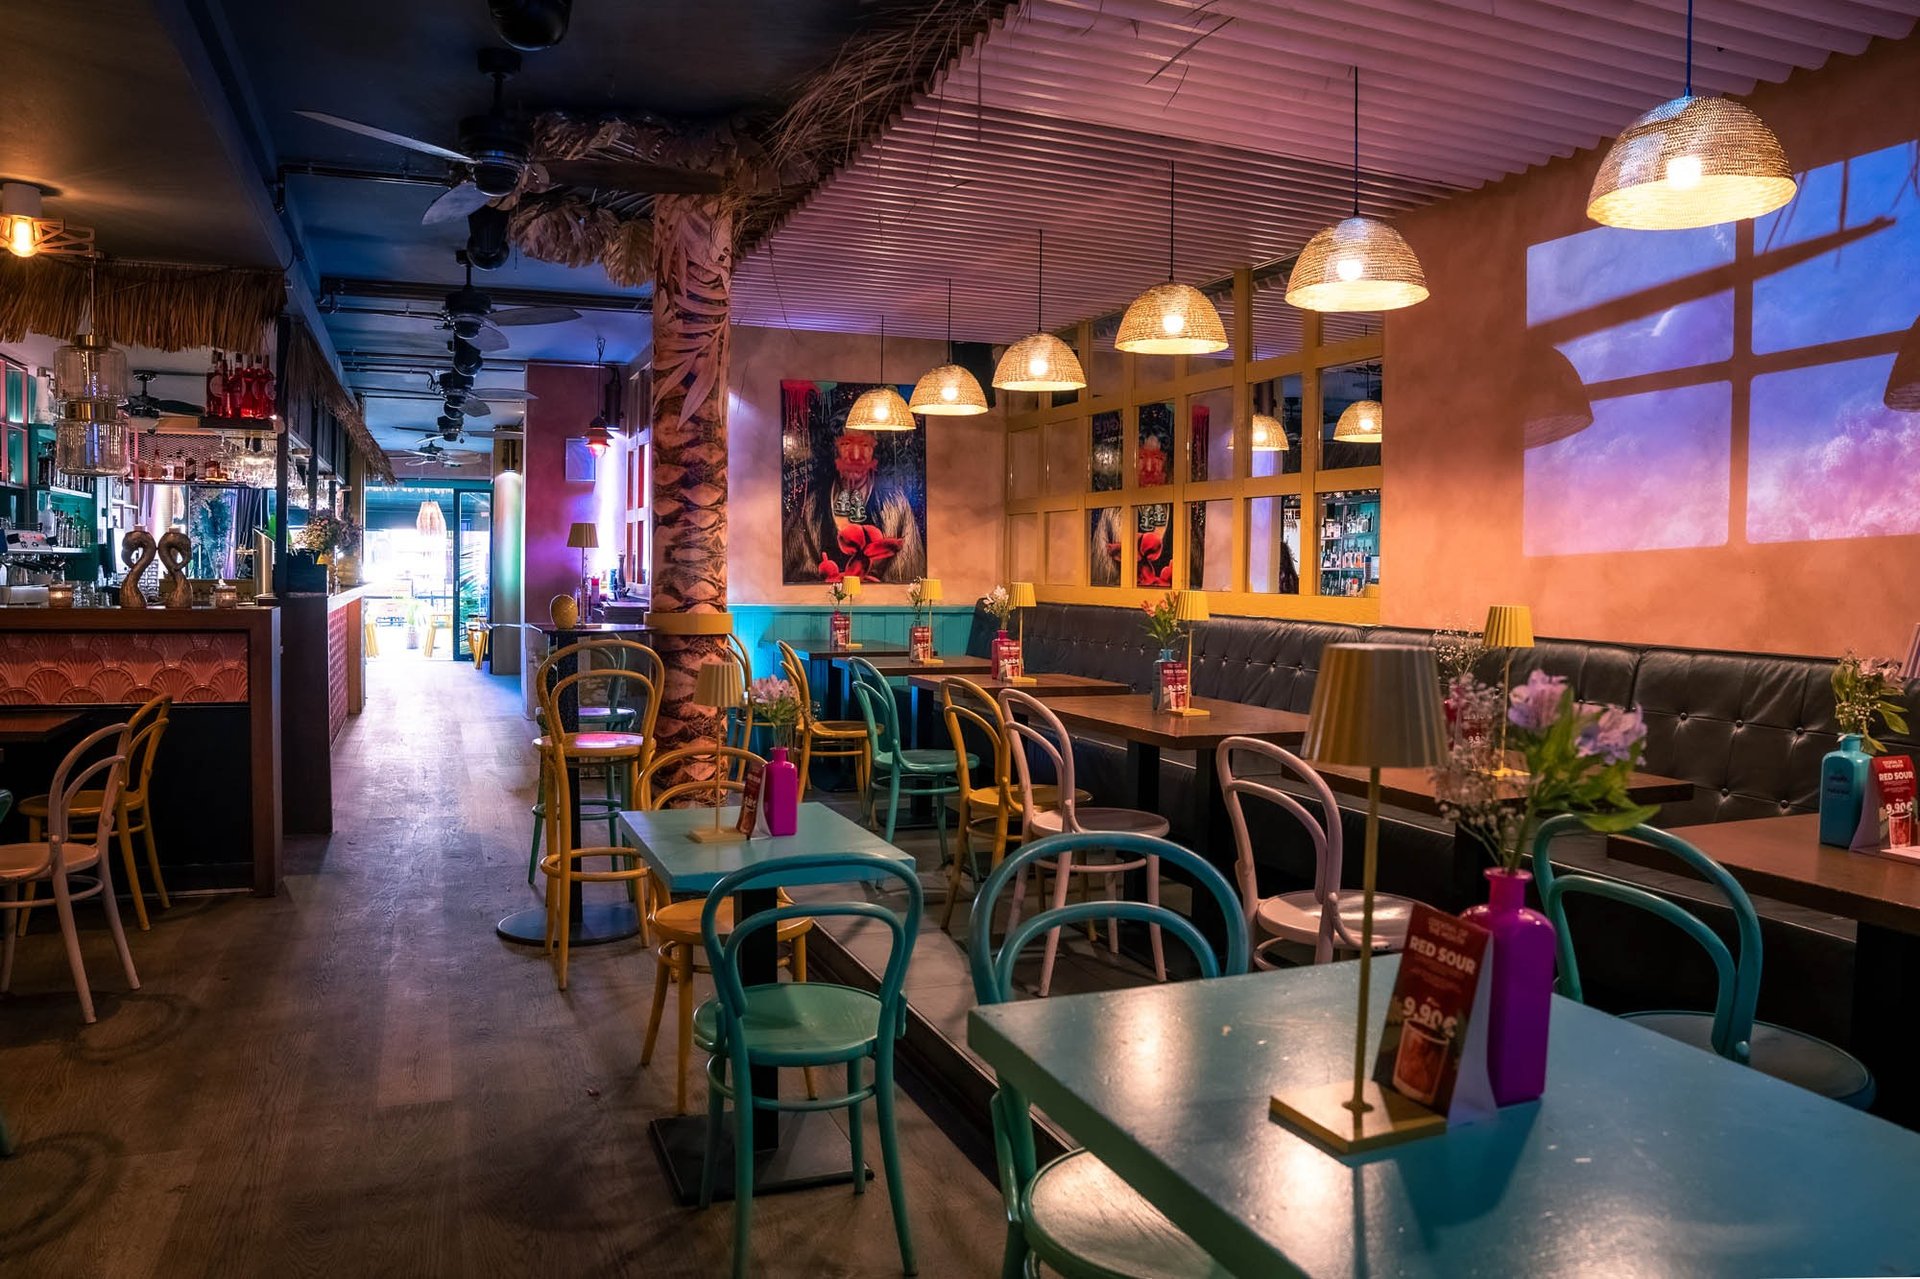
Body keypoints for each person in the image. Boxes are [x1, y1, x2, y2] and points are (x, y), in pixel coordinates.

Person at [783, 427, 926, 584]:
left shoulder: (896, 504)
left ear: (875, 450)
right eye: (846, 444)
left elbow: (908, 571)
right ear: (833, 449)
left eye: (865, 445)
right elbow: (796, 570)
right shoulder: (810, 506)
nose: (856, 455)